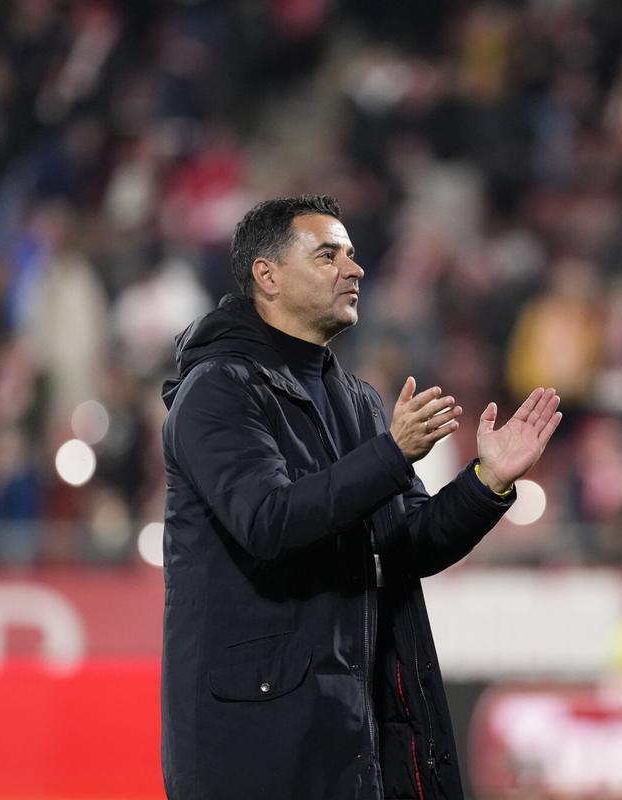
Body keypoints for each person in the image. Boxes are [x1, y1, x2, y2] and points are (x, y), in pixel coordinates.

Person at [159, 195, 561, 799]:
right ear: (266, 276)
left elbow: (407, 544)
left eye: (351, 254)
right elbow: (268, 520)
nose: (355, 270)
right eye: (328, 255)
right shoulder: (218, 391)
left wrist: (488, 482)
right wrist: (391, 455)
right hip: (251, 741)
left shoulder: (359, 402)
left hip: (350, 727)